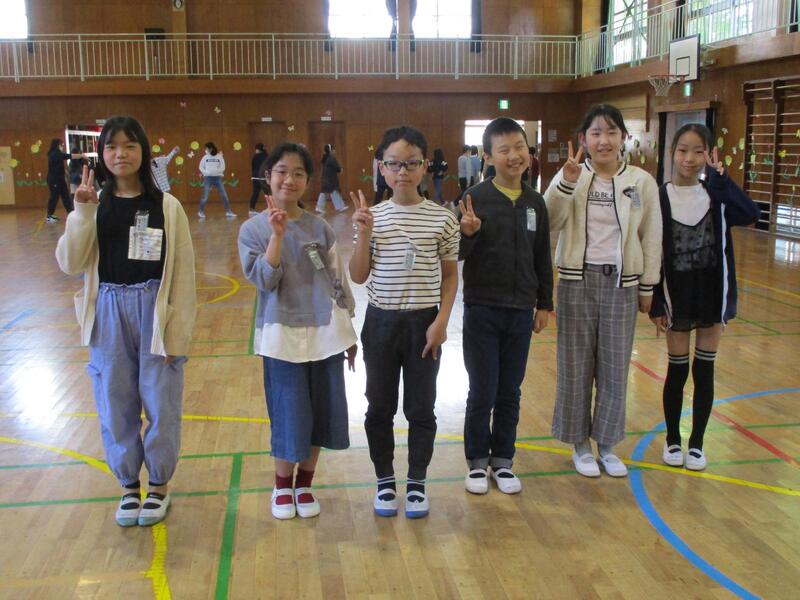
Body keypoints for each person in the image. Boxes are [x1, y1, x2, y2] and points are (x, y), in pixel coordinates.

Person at [55, 116, 196, 527]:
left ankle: (159, 486)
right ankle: (128, 486)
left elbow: (184, 274)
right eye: (112, 146)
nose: (121, 154)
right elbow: (70, 264)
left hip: (155, 311)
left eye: (130, 145)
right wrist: (81, 213)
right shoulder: (94, 204)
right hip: (108, 312)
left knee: (161, 402)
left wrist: (177, 336)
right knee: (115, 403)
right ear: (102, 154)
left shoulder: (167, 206)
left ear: (143, 151)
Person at [238, 142, 357, 520]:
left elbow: (337, 280)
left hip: (326, 335)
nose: (289, 179)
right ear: (268, 177)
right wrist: (276, 236)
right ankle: (281, 487)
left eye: (299, 173)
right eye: (282, 172)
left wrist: (349, 332)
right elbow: (264, 280)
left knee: (321, 414)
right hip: (281, 338)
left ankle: (304, 484)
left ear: (308, 180)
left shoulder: (320, 227)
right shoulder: (253, 229)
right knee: (289, 414)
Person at [544, 104, 662, 478]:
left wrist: (648, 285)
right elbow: (549, 220)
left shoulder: (641, 181)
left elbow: (651, 235)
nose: (604, 141)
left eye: (611, 132)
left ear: (624, 137)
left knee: (615, 366)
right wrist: (566, 183)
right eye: (596, 133)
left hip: (622, 284)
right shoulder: (571, 174)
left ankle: (607, 444)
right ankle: (579, 444)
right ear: (584, 139)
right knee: (575, 366)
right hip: (576, 282)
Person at [349, 125, 460, 519]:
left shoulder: (442, 219)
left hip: (424, 324)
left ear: (425, 166)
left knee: (421, 408)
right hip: (380, 324)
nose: (402, 171)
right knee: (378, 407)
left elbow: (450, 276)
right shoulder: (372, 217)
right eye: (394, 164)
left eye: (411, 163)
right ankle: (384, 481)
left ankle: (416, 483)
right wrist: (364, 234)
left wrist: (441, 321)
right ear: (381, 167)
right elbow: (358, 275)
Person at [650, 124, 759, 471]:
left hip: (712, 293)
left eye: (699, 151)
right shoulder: (660, 196)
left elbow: (751, 214)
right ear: (672, 153)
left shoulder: (716, 194)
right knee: (677, 370)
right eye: (683, 150)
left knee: (705, 370)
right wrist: (655, 301)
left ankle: (696, 443)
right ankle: (673, 439)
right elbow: (652, 252)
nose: (690, 158)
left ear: (709, 155)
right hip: (676, 294)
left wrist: (722, 179)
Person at [458, 117, 553, 495]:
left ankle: (503, 460)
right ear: (488, 157)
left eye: (519, 147)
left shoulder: (535, 201)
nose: (514, 155)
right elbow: (457, 253)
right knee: (483, 390)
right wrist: (468, 234)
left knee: (510, 391)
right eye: (504, 150)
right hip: (482, 308)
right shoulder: (475, 198)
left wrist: (544, 303)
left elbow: (542, 255)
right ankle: (477, 461)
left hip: (520, 311)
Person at [46, 139, 82, 222]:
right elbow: (68, 156)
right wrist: (81, 156)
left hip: (60, 179)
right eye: (61, 145)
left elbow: (58, 166)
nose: (62, 147)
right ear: (57, 145)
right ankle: (49, 216)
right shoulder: (55, 153)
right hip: (54, 180)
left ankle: (71, 213)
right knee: (54, 197)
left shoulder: (56, 154)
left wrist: (65, 173)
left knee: (66, 196)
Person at [198, 142, 236, 219]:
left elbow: (223, 167)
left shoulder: (219, 157)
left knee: (224, 195)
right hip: (208, 178)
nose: (206, 149)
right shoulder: (205, 157)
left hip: (217, 178)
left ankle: (228, 211)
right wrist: (206, 172)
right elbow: (201, 167)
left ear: (211, 148)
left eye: (207, 148)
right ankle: (200, 211)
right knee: (205, 196)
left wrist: (217, 171)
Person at [316, 144, 347, 213]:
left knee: (324, 193)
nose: (334, 151)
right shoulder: (331, 158)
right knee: (334, 191)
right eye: (333, 149)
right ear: (330, 151)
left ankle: (319, 207)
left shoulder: (325, 158)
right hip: (330, 179)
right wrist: (340, 169)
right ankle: (340, 207)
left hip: (324, 178)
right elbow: (337, 167)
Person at [249, 142, 268, 216]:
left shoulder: (255, 156)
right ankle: (271, 208)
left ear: (258, 149)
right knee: (267, 194)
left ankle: (251, 210)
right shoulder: (266, 156)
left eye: (256, 149)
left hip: (256, 177)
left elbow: (253, 167)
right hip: (262, 177)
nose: (256, 150)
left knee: (256, 193)